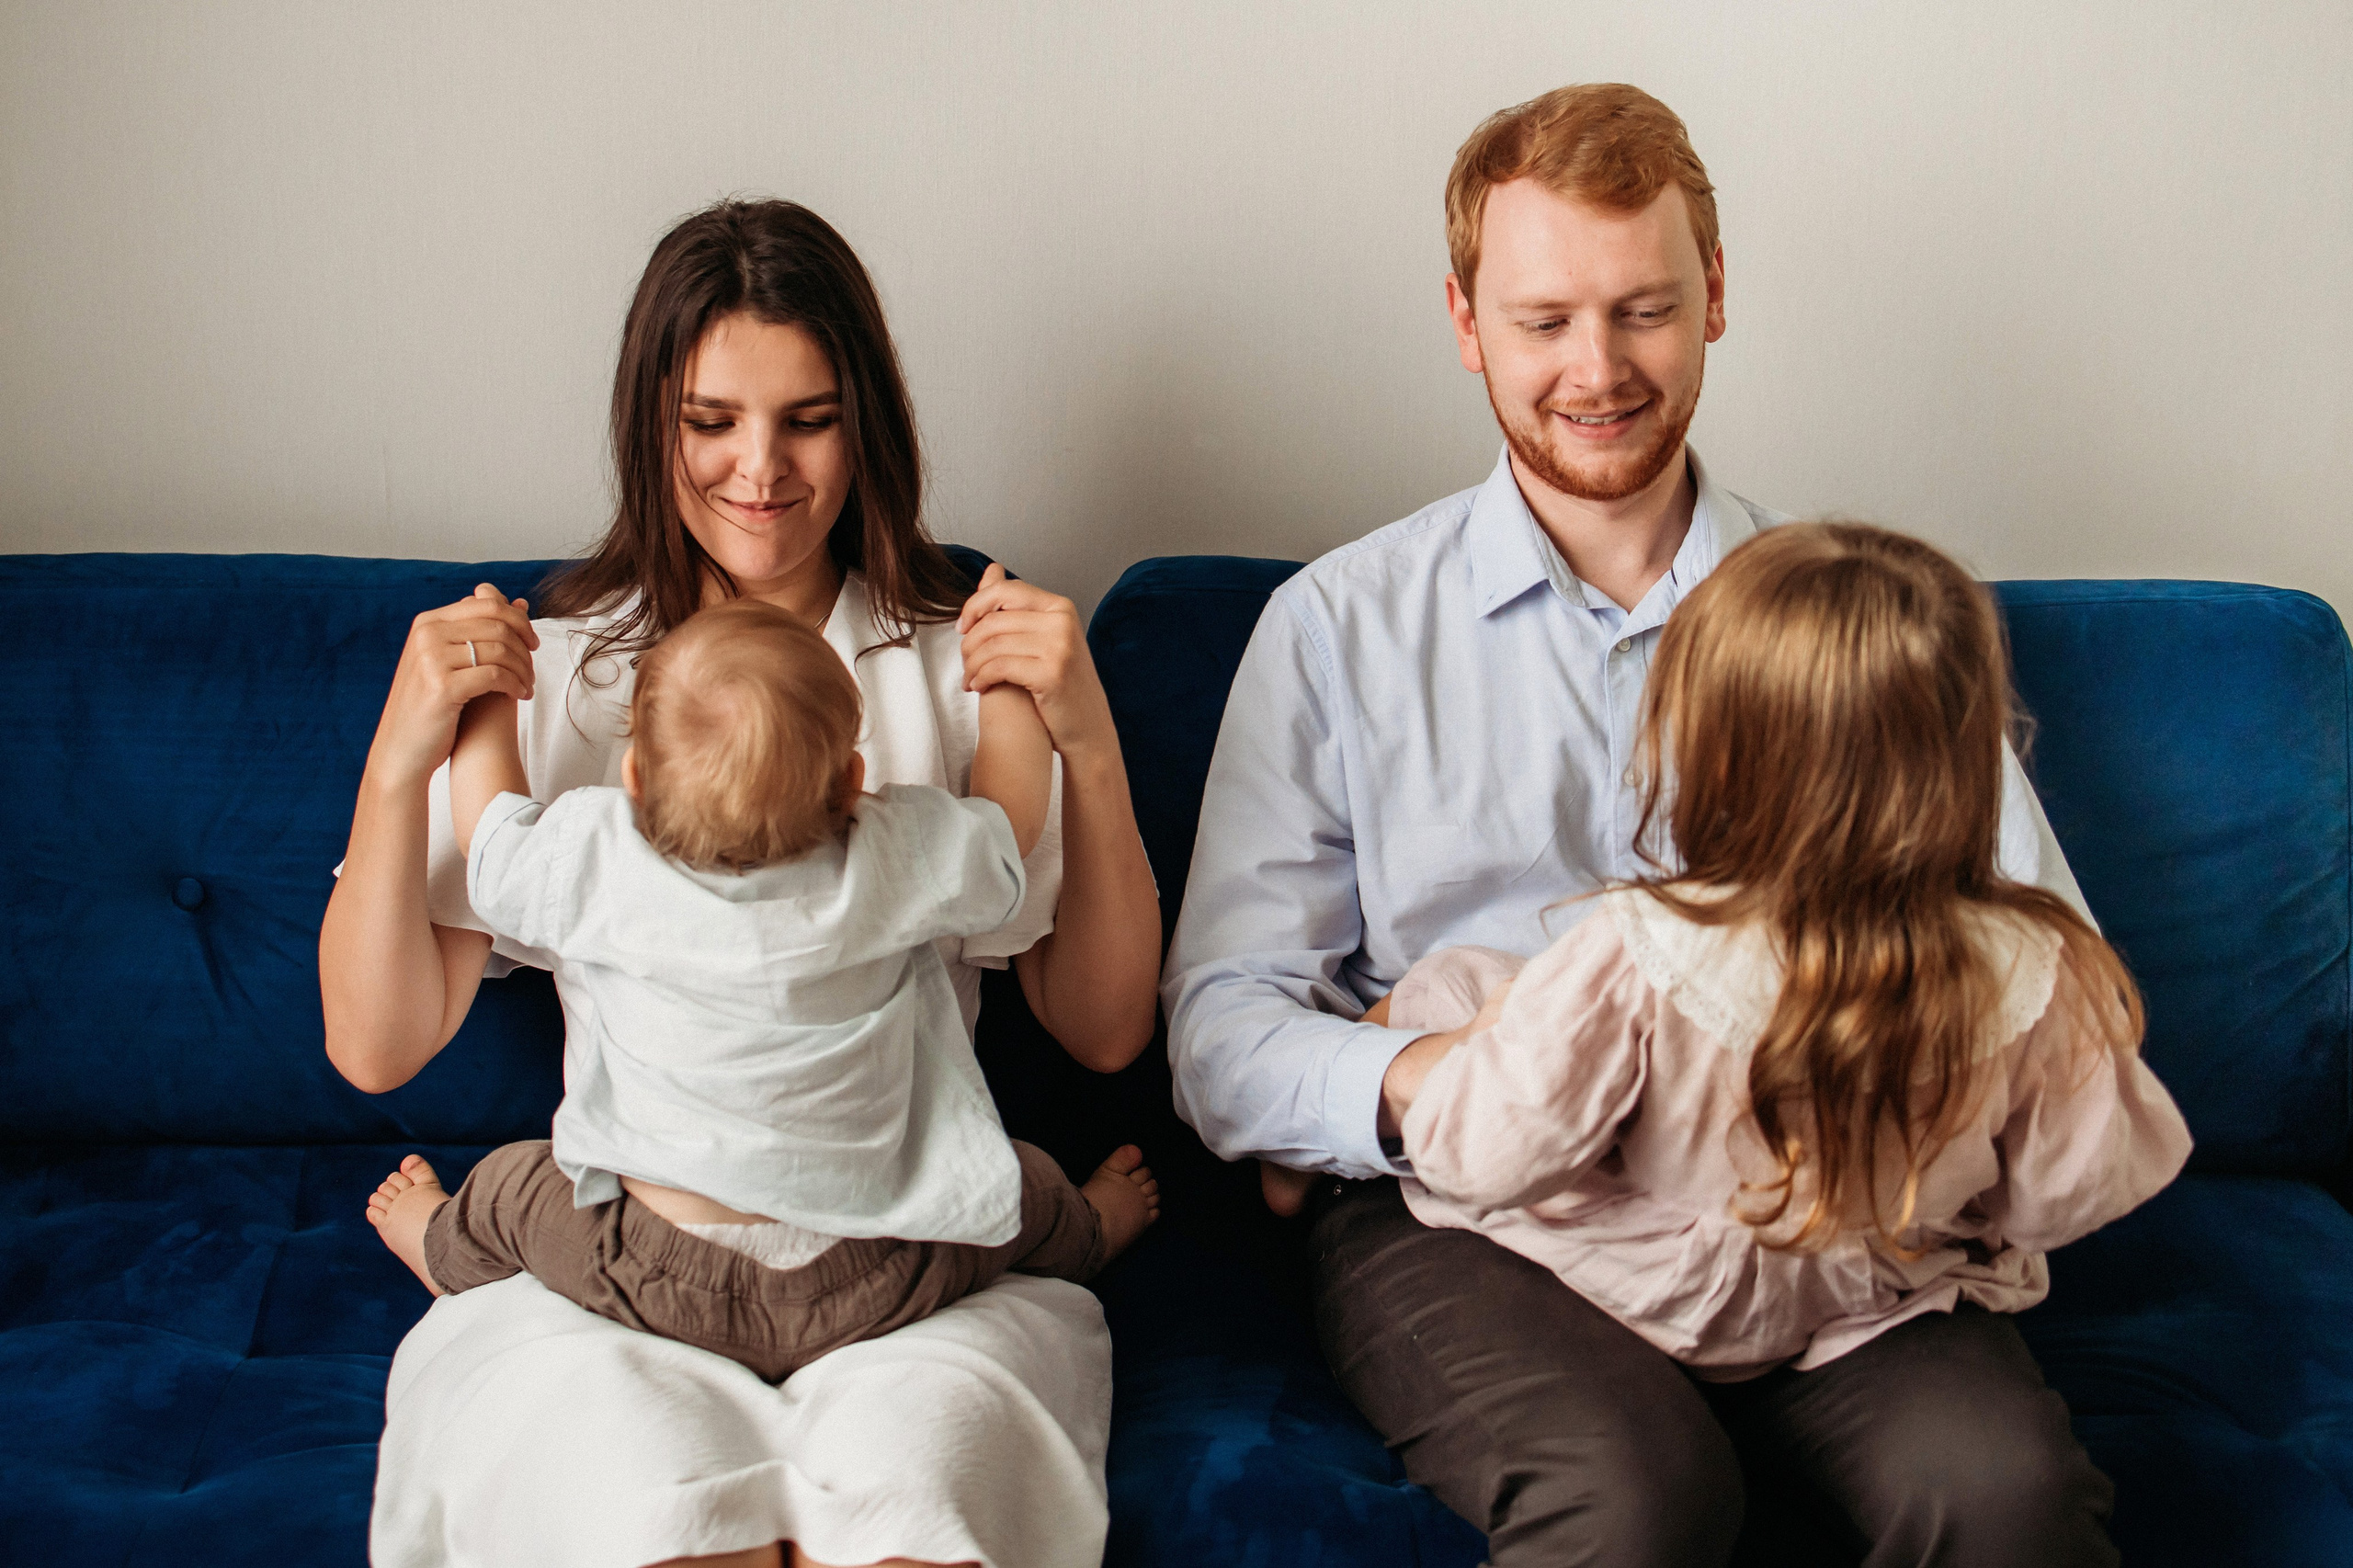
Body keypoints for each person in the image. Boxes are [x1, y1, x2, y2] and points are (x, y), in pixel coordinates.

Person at [1163, 85, 2106, 1564]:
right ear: (1468, 321)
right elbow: (1223, 1029)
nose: (1595, 369)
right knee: (1639, 1502)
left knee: (2002, 1497)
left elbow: (2050, 958)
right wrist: (1453, 1081)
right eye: (1543, 321)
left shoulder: (1854, 629)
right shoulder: (1338, 628)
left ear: (1715, 298)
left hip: (1816, 1199)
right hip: (1474, 1214)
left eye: (1642, 310)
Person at [322, 198, 1161, 1568]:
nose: (759, 470)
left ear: (866, 425)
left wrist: (1093, 739)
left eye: (808, 419)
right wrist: (394, 753)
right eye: (711, 420)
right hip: (636, 1272)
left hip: (900, 1267)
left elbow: (1106, 1030)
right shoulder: (565, 664)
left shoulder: (962, 654)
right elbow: (376, 1043)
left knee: (918, 1508)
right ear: (652, 425)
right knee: (641, 1511)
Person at [1387, 523, 2188, 1563]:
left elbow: (1485, 1153)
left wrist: (1433, 1079)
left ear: (1717, 750)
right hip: (1867, 1293)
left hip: (1628, 1279)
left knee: (1464, 1002)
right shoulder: (2038, 968)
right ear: (1967, 744)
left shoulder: (1642, 951)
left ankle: (1376, 1063)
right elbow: (2060, 1195)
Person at [363, 597, 1158, 1382]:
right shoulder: (892, 852)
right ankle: (1092, 1228)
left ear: (632, 776)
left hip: (648, 1269)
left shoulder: (594, 851)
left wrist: (495, 695)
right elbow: (1008, 823)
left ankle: (435, 1238)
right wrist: (1007, 689)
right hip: (882, 1268)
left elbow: (490, 833)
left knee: (511, 1188)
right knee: (1011, 1182)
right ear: (854, 780)